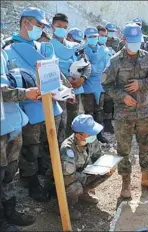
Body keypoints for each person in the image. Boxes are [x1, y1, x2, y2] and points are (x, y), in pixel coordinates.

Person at [3, 7, 65, 202]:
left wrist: (65, 89)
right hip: (28, 109)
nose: (42, 29)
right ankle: (30, 182)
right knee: (31, 148)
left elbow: (55, 73)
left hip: (51, 106)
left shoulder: (42, 47)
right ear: (26, 23)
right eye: (39, 25)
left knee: (50, 145)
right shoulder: (8, 50)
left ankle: (49, 178)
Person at [102, 23, 148, 197]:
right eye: (131, 41)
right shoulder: (114, 61)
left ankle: (146, 178)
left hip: (144, 112)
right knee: (124, 151)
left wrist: (140, 84)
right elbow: (106, 84)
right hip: (123, 115)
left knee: (146, 148)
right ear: (124, 39)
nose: (135, 44)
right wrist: (122, 96)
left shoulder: (147, 57)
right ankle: (125, 184)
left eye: (137, 41)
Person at [1, 45, 37, 231]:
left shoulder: (3, 53)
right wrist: (24, 93)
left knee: (9, 172)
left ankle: (10, 211)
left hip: (13, 123)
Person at [60, 114, 113, 220]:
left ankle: (84, 193)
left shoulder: (91, 139)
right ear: (79, 136)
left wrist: (106, 166)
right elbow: (68, 177)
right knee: (76, 187)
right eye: (90, 133)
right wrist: (88, 175)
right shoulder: (68, 149)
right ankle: (65, 206)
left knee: (110, 168)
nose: (94, 135)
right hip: (67, 181)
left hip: (84, 173)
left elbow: (99, 155)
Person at [50, 13, 89, 144]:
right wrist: (66, 81)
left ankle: (70, 150)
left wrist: (82, 79)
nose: (61, 29)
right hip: (57, 94)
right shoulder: (46, 46)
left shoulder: (74, 46)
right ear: (52, 26)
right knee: (58, 125)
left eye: (64, 27)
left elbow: (87, 65)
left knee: (72, 123)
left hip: (75, 91)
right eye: (59, 26)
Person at [82, 27, 110, 144]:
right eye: (90, 37)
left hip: (100, 84)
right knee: (89, 113)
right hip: (87, 85)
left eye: (95, 36)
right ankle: (89, 137)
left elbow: (107, 65)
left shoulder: (103, 50)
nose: (93, 39)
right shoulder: (81, 50)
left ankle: (99, 135)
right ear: (85, 38)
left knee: (99, 111)